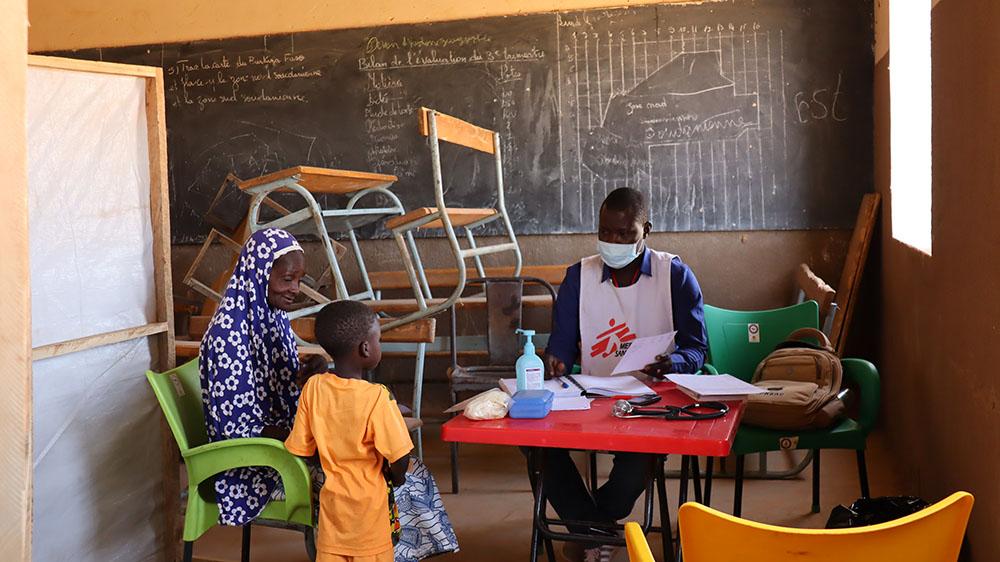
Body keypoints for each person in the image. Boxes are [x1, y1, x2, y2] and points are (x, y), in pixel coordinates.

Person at [542, 187, 709, 560]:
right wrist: (556, 360)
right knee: (533, 442)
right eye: (605, 232)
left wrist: (672, 362)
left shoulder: (675, 276)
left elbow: (697, 350)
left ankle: (588, 530)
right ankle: (595, 530)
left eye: (624, 234)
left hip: (651, 400)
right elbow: (562, 347)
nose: (613, 241)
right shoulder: (578, 278)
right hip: (592, 399)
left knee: (637, 463)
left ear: (645, 230)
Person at [285, 300, 458, 562]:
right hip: (370, 519)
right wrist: (396, 478)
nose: (379, 345)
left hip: (332, 519)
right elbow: (400, 457)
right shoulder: (377, 398)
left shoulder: (313, 388)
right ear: (365, 348)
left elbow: (302, 449)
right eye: (378, 339)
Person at [199, 227, 324, 525]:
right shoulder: (227, 337)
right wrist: (313, 441)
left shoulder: (272, 316)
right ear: (259, 274)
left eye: (298, 279)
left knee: (375, 470)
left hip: (280, 444)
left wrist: (308, 370)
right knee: (359, 481)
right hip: (250, 467)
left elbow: (277, 384)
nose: (295, 288)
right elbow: (240, 429)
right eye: (286, 279)